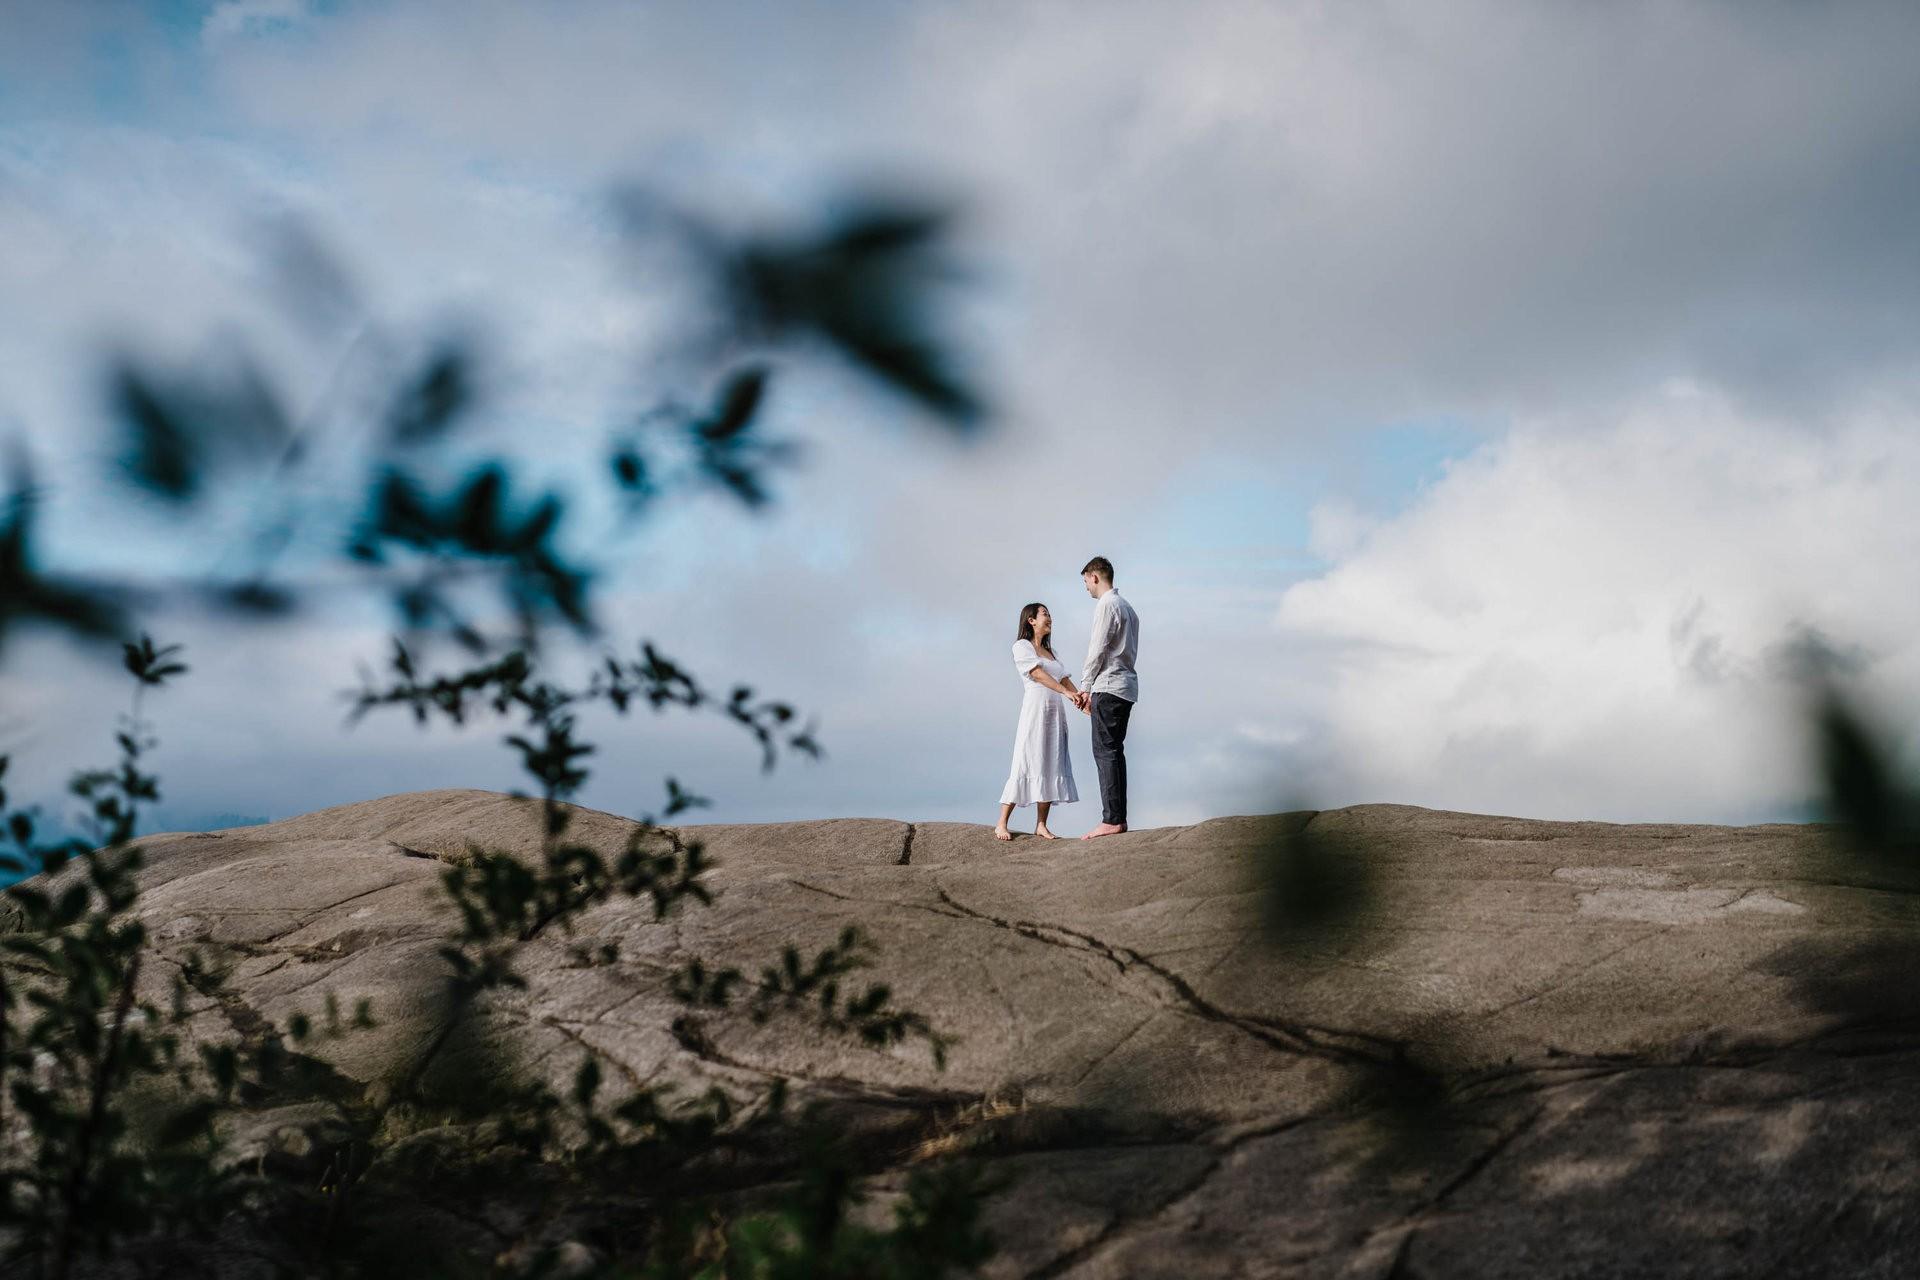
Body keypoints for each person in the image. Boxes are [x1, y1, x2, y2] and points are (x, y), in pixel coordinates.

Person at [995, 602, 1082, 841]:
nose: (1049, 618)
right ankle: (1002, 822)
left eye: (1050, 614)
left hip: (1055, 714)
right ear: (1031, 620)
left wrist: (1083, 702)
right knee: (1025, 760)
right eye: (1045, 614)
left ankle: (1041, 824)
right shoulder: (1022, 646)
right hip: (1035, 711)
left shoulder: (1052, 652)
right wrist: (1065, 693)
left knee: (1051, 762)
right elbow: (1036, 674)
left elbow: (1064, 680)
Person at [1072, 556, 1138, 839]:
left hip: (1108, 686)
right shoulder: (1128, 608)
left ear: (1094, 576)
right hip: (1126, 687)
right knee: (1114, 751)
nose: (1085, 587)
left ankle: (1111, 819)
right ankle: (1117, 817)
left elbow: (1097, 649)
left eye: (1085, 580)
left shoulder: (1107, 605)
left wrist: (1085, 687)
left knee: (1105, 751)